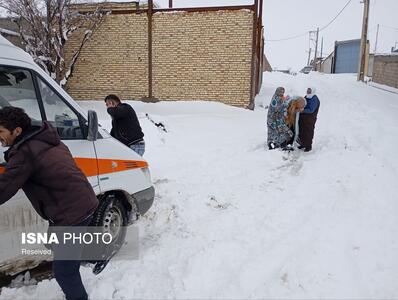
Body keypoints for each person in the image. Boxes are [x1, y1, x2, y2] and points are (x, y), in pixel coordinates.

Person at [0, 106, 98, 300]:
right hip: (84, 202)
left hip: (71, 213)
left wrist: (13, 167)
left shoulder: (24, 153)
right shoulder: (44, 138)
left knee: (64, 272)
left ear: (17, 131)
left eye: (1, 131)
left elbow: (4, 188)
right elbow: (36, 163)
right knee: (54, 243)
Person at [298, 87, 320, 152]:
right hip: (303, 118)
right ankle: (302, 144)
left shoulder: (314, 99)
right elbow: (303, 102)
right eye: (308, 90)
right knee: (302, 131)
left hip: (310, 119)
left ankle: (308, 146)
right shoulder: (307, 96)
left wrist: (303, 110)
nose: (308, 91)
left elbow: (311, 110)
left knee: (308, 132)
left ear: (312, 91)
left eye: (309, 90)